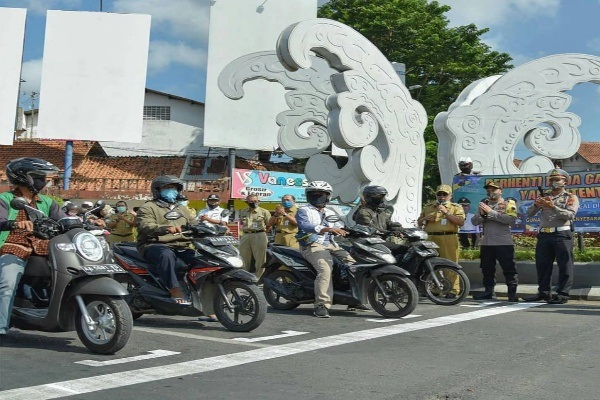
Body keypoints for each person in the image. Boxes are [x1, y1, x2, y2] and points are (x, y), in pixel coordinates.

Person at [0, 158, 65, 339]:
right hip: (13, 246)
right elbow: (1, 221)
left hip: (43, 246)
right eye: (38, 177)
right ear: (23, 178)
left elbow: (64, 219)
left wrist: (85, 224)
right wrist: (15, 223)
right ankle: (1, 326)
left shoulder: (47, 202)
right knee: (7, 282)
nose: (43, 181)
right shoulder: (5, 199)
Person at [296, 181, 356, 318]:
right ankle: (321, 304)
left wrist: (349, 231)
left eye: (321, 194)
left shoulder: (330, 211)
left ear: (328, 196)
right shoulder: (303, 210)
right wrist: (327, 229)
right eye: (314, 194)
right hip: (312, 244)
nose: (317, 196)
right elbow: (305, 225)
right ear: (308, 196)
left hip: (332, 244)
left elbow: (340, 225)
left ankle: (354, 298)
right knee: (325, 269)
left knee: (354, 265)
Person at [136, 175, 198, 305]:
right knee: (166, 255)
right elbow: (145, 225)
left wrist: (214, 228)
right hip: (153, 244)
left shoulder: (182, 209)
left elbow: (194, 223)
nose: (172, 190)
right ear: (157, 190)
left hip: (181, 246)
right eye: (167, 187)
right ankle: (175, 289)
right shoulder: (148, 207)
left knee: (200, 259)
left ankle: (199, 294)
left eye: (174, 188)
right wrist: (165, 228)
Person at [523, 168, 580, 304]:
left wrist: (553, 206)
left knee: (565, 265)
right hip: (544, 234)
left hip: (561, 233)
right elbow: (529, 213)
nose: (554, 182)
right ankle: (543, 292)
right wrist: (537, 204)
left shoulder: (570, 197)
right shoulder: (545, 196)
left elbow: (570, 215)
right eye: (552, 180)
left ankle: (562, 294)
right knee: (542, 265)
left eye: (557, 179)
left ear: (565, 182)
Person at [471, 181, 519, 301]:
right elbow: (474, 221)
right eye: (488, 190)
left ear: (501, 191)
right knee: (487, 269)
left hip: (503, 242)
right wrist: (482, 215)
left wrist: (490, 212)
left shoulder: (508, 203)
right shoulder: (483, 204)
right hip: (487, 243)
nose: (490, 192)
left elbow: (511, 220)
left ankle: (512, 294)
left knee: (509, 269)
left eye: (494, 189)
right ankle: (489, 292)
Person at [416, 184, 465, 299]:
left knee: (451, 263)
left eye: (445, 194)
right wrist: (425, 219)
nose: (442, 197)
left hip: (448, 237)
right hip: (431, 237)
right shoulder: (429, 207)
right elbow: (418, 222)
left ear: (450, 196)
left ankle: (453, 290)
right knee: (431, 264)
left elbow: (460, 222)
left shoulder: (455, 207)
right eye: (439, 194)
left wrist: (446, 213)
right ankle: (435, 288)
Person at [238, 194, 271, 278]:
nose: (254, 203)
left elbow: (269, 224)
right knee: (243, 256)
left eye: (255, 201)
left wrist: (263, 233)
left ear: (259, 201)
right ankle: (244, 277)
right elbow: (242, 223)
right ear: (247, 202)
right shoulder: (243, 211)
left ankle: (259, 277)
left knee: (260, 258)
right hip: (246, 235)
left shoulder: (264, 211)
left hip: (259, 234)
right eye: (251, 201)